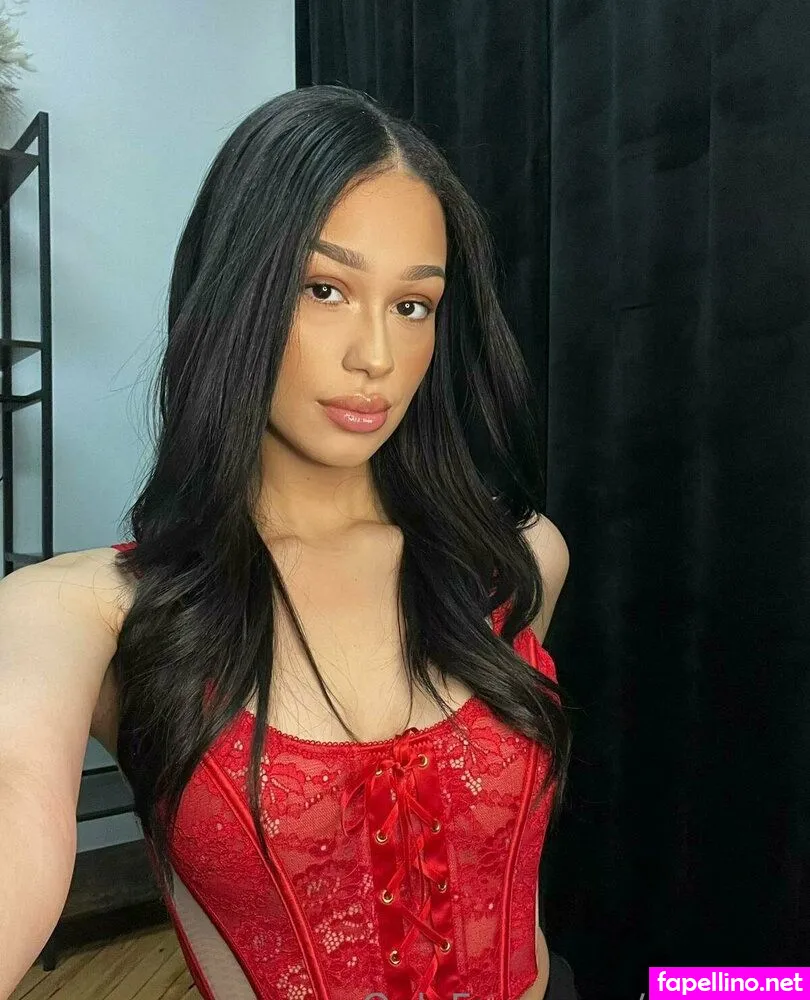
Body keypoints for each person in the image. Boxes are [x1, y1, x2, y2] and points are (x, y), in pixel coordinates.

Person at [0, 84, 578, 1000]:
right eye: (325, 289)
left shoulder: (516, 561)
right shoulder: (87, 617)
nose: (375, 357)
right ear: (235, 289)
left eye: (413, 305)